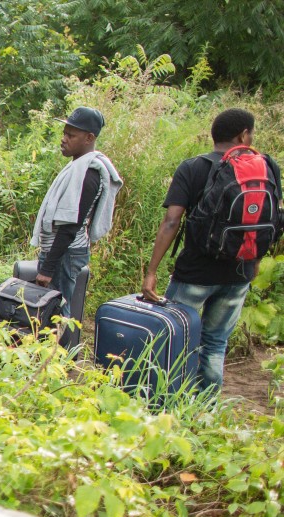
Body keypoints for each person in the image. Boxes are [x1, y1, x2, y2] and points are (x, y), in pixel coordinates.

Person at [143, 108, 282, 392]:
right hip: (238, 273)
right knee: (215, 343)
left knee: (175, 339)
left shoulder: (193, 167)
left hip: (195, 272)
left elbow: (172, 221)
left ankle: (165, 402)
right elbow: (269, 219)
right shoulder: (267, 168)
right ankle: (205, 411)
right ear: (243, 135)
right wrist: (255, 260)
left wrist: (152, 271)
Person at [31, 107, 124, 317]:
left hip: (67, 252)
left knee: (57, 312)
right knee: (49, 310)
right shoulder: (78, 167)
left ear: (89, 137)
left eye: (71, 135)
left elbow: (71, 225)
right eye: (64, 133)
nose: (64, 139)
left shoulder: (89, 172)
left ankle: (61, 350)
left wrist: (48, 268)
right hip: (62, 251)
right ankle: (51, 349)